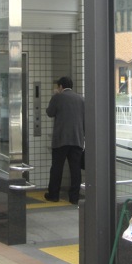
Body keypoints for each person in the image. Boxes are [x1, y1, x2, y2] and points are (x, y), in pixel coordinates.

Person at [45, 76, 85, 205]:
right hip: (77, 139)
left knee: (57, 168)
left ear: (61, 86)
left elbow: (50, 112)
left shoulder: (58, 97)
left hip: (60, 140)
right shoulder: (81, 99)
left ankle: (53, 195)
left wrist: (55, 95)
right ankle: (74, 197)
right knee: (75, 169)